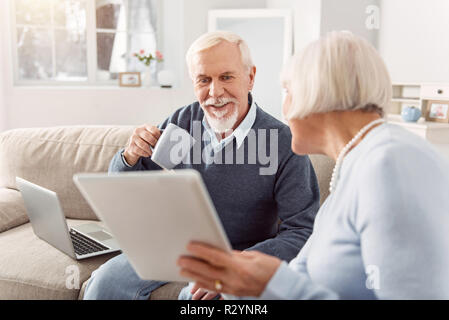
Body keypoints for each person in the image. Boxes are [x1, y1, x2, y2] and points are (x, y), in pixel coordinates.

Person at [177, 31, 449, 299]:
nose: (283, 106)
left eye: (287, 90)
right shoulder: (354, 167)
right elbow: (302, 276)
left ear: (321, 93)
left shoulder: (390, 163)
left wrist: (271, 281)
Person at [83, 31, 320, 300]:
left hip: (235, 257)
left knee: (194, 299)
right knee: (103, 284)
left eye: (226, 77)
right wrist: (129, 157)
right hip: (173, 248)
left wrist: (243, 263)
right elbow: (128, 188)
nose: (215, 92)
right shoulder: (183, 120)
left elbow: (303, 230)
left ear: (250, 78)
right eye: (204, 80)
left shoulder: (282, 142)